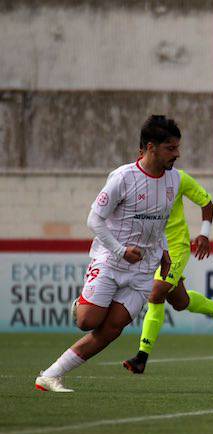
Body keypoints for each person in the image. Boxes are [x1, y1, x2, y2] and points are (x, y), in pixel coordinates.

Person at [35, 115, 182, 392]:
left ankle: (51, 375)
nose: (177, 154)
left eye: (177, 148)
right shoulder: (123, 177)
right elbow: (94, 219)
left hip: (143, 268)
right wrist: (120, 250)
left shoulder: (174, 179)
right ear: (151, 147)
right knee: (87, 321)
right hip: (111, 260)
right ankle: (80, 305)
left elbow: (160, 219)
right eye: (171, 148)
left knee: (112, 329)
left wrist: (163, 250)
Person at [122, 155, 213, 374]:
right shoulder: (133, 180)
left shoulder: (179, 179)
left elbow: (207, 203)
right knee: (180, 301)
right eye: (169, 148)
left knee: (155, 294)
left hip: (176, 248)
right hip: (149, 250)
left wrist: (204, 234)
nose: (173, 153)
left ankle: (141, 357)